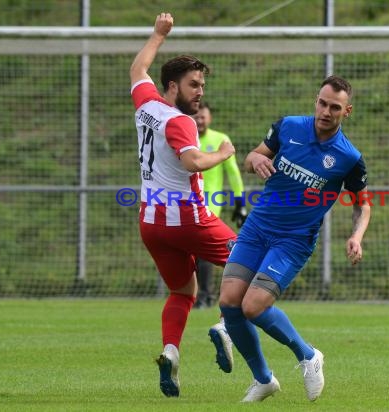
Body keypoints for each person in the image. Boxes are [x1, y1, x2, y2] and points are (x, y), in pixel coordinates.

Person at [216, 75, 371, 402]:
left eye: (335, 107)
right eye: (322, 103)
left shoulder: (349, 158)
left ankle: (308, 355)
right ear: (316, 100)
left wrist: (357, 236)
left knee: (253, 306)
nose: (326, 111)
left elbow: (362, 204)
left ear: (348, 111)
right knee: (229, 303)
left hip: (293, 240)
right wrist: (255, 158)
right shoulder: (287, 127)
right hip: (257, 227)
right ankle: (263, 379)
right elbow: (252, 158)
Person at [130, 12, 234, 398]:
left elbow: (138, 68)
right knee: (249, 259)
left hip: (150, 222)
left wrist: (158, 35)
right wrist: (223, 153)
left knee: (182, 292)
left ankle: (171, 353)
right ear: (173, 86)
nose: (200, 91)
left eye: (202, 84)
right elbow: (193, 161)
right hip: (187, 218)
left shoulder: (146, 106)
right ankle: (226, 326)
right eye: (194, 84)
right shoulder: (180, 122)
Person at [192, 101, 248, 309]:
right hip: (186, 204)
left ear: (210, 118)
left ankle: (205, 296)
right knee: (190, 251)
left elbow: (233, 173)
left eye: (203, 117)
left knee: (203, 251)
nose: (199, 120)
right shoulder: (187, 137)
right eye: (196, 116)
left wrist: (240, 202)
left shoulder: (220, 140)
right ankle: (196, 294)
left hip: (210, 205)